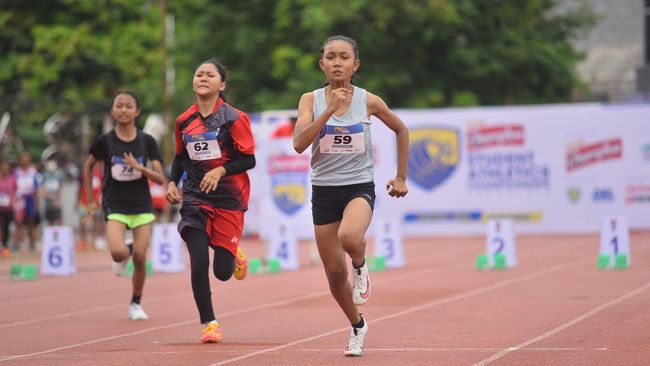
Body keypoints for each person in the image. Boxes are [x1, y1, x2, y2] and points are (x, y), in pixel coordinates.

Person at [292, 35, 409, 357]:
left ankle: (360, 263)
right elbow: (299, 144)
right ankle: (357, 326)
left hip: (358, 186)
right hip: (323, 190)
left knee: (350, 236)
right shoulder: (310, 100)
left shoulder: (368, 101)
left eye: (344, 57)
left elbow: (401, 129)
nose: (337, 62)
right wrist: (328, 110)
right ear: (322, 64)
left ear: (355, 64)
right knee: (333, 274)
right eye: (331, 57)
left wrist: (400, 176)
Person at [165, 59, 255, 344]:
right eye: (199, 73)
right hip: (195, 197)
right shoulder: (183, 121)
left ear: (222, 84)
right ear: (193, 82)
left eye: (210, 74)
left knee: (223, 272)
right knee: (199, 260)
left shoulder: (233, 118)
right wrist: (171, 182)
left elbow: (249, 159)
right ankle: (209, 323)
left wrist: (220, 169)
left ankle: (234, 254)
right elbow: (180, 158)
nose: (203, 77)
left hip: (229, 198)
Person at [83, 91, 165, 321]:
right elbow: (88, 166)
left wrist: (140, 169)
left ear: (137, 111)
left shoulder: (147, 141)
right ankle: (124, 251)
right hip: (115, 203)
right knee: (118, 253)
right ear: (113, 111)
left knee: (140, 257)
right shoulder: (105, 141)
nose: (124, 110)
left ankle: (136, 303)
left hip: (141, 205)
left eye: (129, 106)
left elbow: (160, 178)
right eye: (119, 106)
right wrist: (90, 200)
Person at [13, 153, 41, 252]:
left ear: (29, 160)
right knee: (18, 222)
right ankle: (16, 244)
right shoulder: (16, 172)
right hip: (20, 200)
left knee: (31, 222)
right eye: (23, 159)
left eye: (26, 159)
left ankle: (32, 244)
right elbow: (13, 188)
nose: (24, 161)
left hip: (30, 199)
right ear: (20, 160)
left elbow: (37, 189)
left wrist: (37, 205)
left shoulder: (33, 172)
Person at [0, 160, 17, 258]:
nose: (4, 170)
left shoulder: (12, 179)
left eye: (6, 168)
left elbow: (15, 191)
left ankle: (5, 247)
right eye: (2, 168)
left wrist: (13, 201)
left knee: (6, 228)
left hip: (8, 208)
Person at [41, 159, 65, 225]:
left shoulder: (59, 174)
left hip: (57, 202)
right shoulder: (44, 175)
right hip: (48, 203)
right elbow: (43, 189)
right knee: (49, 221)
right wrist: (51, 198)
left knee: (60, 219)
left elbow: (61, 189)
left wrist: (59, 201)